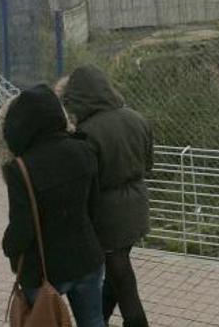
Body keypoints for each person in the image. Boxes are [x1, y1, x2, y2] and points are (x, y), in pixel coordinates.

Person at [0, 85, 105, 327]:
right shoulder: (84, 148)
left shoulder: (20, 170)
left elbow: (22, 229)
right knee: (94, 321)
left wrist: (8, 247)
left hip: (45, 269)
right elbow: (94, 209)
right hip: (87, 256)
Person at [62, 65, 154, 327]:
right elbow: (148, 165)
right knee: (118, 271)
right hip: (137, 206)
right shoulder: (137, 119)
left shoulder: (85, 133)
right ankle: (99, 318)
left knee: (122, 279)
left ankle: (136, 322)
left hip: (107, 215)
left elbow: (87, 182)